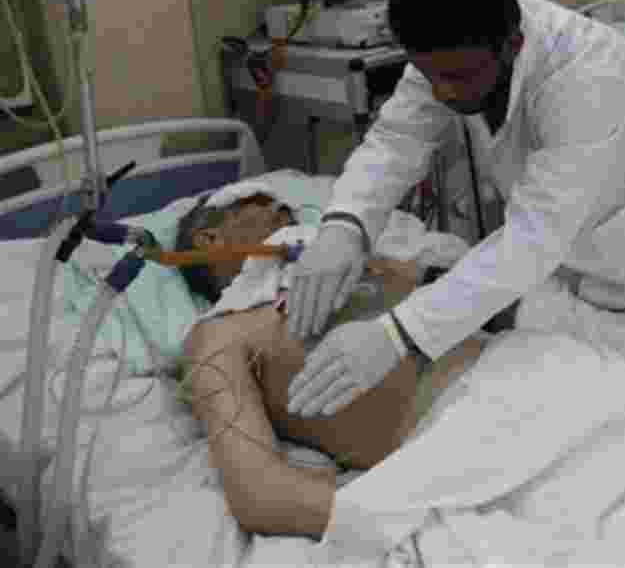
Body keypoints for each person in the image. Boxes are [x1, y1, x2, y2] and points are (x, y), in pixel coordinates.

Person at [286, 0, 625, 420]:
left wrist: (397, 335)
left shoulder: (589, 82)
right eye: (429, 75)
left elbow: (532, 239)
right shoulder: (450, 49)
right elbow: (396, 139)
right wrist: (344, 226)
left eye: (458, 78)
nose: (443, 93)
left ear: (514, 44)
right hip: (555, 267)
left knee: (610, 399)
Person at [175, 192, 485, 538]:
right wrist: (423, 521)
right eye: (255, 201)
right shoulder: (217, 336)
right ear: (209, 239)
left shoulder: (366, 264)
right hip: (462, 438)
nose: (279, 205)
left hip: (513, 361)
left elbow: (488, 296)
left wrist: (399, 270)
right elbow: (262, 495)